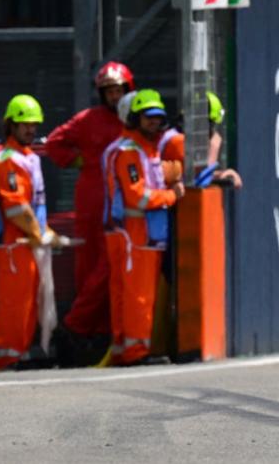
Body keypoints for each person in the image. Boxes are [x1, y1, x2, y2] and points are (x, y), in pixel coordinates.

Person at [45, 61, 134, 365]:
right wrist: (78, 161)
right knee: (90, 270)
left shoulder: (134, 120)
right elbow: (55, 143)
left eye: (118, 90)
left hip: (121, 201)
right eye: (108, 91)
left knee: (111, 268)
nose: (113, 96)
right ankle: (89, 333)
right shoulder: (87, 120)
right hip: (93, 202)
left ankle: (82, 327)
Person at [103, 89, 184, 366]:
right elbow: (138, 195)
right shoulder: (129, 153)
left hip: (146, 235)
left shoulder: (146, 151)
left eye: (158, 118)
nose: (154, 123)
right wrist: (173, 196)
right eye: (148, 118)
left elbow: (159, 176)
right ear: (135, 119)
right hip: (134, 235)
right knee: (138, 296)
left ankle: (128, 349)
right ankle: (135, 352)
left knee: (138, 295)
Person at [0, 95, 62, 369]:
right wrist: (39, 232)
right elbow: (15, 206)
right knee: (15, 303)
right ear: (11, 126)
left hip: (29, 241)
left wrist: (45, 231)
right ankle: (7, 356)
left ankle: (17, 353)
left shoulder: (29, 158)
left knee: (30, 300)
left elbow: (35, 205)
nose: (30, 130)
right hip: (14, 243)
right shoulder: (9, 160)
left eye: (34, 125)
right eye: (24, 125)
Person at [159, 91, 242, 189]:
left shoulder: (175, 135)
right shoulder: (177, 141)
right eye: (211, 126)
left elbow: (192, 174)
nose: (211, 133)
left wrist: (224, 174)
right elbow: (200, 181)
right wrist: (213, 148)